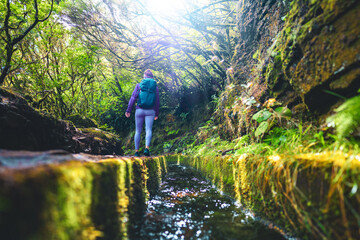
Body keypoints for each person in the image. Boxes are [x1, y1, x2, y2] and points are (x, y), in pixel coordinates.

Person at [125, 69, 160, 157]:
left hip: (139, 110)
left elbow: (133, 98)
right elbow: (157, 101)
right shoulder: (155, 87)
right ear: (152, 77)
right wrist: (156, 113)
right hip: (151, 111)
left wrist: (128, 110)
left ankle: (136, 152)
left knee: (138, 131)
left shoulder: (139, 85)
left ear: (144, 76)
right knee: (148, 129)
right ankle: (146, 149)